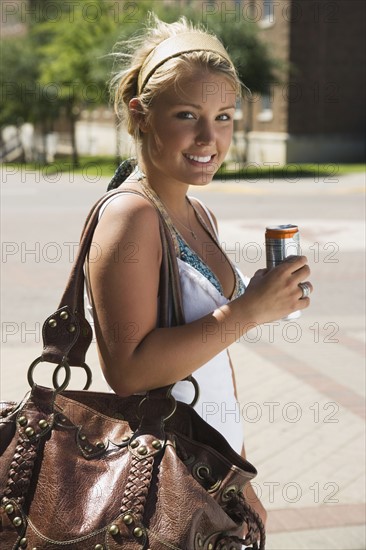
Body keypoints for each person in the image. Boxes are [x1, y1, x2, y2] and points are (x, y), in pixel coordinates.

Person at [85, 14, 312, 529]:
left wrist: (240, 477)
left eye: (226, 116)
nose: (210, 137)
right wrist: (249, 310)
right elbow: (128, 372)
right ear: (141, 114)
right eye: (188, 115)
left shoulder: (196, 211)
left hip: (210, 466)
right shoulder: (132, 216)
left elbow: (208, 365)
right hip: (159, 481)